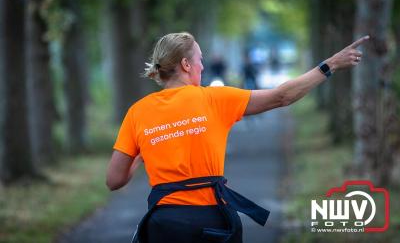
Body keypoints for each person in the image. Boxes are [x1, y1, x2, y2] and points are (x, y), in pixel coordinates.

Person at [106, 32, 369, 243]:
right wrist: (330, 65)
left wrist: (140, 157)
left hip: (164, 224)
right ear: (186, 65)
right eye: (199, 59)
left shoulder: (137, 112)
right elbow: (282, 96)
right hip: (212, 221)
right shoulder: (213, 99)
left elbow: (114, 180)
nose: (203, 65)